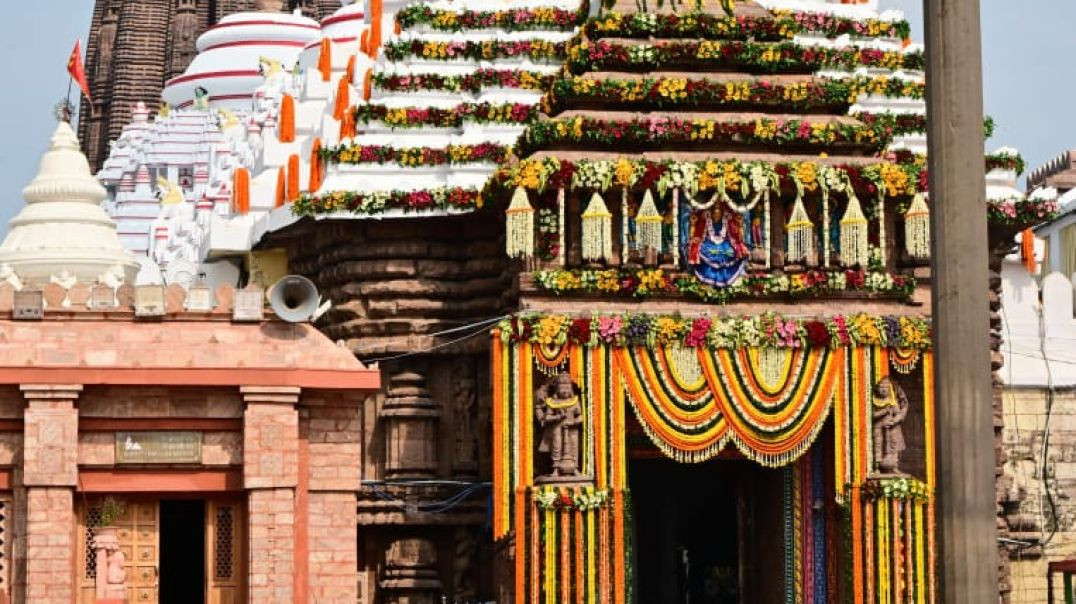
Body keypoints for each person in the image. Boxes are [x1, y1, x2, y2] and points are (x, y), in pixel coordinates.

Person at [683, 203, 749, 286]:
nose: (716, 216)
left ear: (722, 214)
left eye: (718, 214)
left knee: (731, 252)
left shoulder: (727, 221)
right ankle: (705, 280)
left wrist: (740, 225)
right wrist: (693, 224)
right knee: (702, 250)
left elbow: (738, 237)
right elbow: (695, 236)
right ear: (711, 214)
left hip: (725, 243)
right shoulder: (705, 220)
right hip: (708, 243)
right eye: (714, 214)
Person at [534, 372, 582, 478]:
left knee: (573, 446)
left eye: (567, 385)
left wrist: (574, 422)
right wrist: (558, 417)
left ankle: (574, 468)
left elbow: (580, 416)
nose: (565, 388)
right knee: (557, 446)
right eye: (562, 385)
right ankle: (556, 468)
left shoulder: (575, 401)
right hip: (557, 428)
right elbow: (547, 418)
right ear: (557, 388)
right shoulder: (553, 402)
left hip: (572, 429)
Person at [872, 376, 909, 474]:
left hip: (892, 426)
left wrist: (895, 420)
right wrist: (884, 411)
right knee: (878, 445)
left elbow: (898, 412)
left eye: (886, 387)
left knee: (894, 443)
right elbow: (872, 415)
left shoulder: (892, 400)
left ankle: (894, 466)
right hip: (878, 427)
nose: (884, 390)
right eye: (881, 387)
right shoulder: (874, 400)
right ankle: (876, 467)